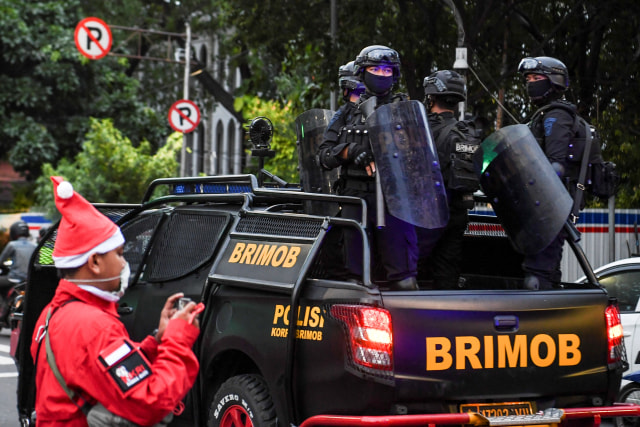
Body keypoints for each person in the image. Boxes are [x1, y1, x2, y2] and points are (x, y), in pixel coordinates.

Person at [30, 176, 201, 426]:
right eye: (119, 254)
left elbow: (96, 370)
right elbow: (151, 402)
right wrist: (178, 341)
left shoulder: (52, 314)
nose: (124, 263)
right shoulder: (95, 327)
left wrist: (156, 342)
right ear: (95, 263)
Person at [317, 45, 419, 290]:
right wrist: (350, 151)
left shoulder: (404, 111)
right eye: (375, 69)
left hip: (395, 202)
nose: (381, 75)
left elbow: (419, 157)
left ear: (394, 76)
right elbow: (323, 156)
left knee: (404, 280)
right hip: (356, 203)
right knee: (354, 281)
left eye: (386, 70)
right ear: (363, 73)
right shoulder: (346, 114)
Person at [518, 56, 579, 290]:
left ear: (554, 80)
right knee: (545, 272)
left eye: (537, 77)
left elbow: (555, 165)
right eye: (529, 79)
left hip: (549, 210)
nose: (531, 82)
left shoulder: (556, 115)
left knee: (537, 278)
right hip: (542, 209)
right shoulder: (543, 115)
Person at [420, 70, 478, 289]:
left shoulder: (423, 129)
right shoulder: (467, 131)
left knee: (412, 274)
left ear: (431, 97)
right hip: (456, 214)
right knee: (447, 274)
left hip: (425, 216)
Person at [0, 220, 37, 321]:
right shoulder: (34, 245)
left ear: (13, 232)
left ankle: (2, 308)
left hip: (14, 278)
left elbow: (1, 260)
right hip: (28, 279)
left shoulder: (12, 245)